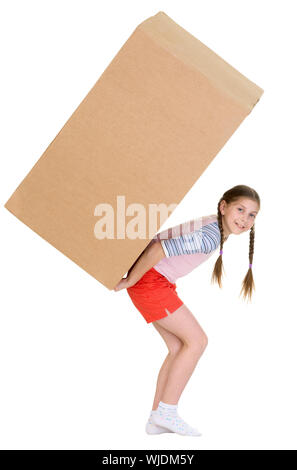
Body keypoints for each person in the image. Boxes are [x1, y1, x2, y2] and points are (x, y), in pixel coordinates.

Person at [113, 185, 260, 436]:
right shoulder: (210, 235)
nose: (245, 219)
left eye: (252, 215)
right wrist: (131, 280)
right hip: (150, 282)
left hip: (155, 282)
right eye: (240, 209)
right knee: (197, 341)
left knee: (178, 347)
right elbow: (158, 249)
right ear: (223, 207)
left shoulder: (212, 224)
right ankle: (167, 412)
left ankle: (156, 418)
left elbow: (159, 243)